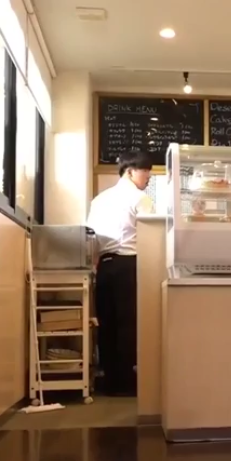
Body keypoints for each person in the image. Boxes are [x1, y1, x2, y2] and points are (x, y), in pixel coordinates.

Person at [86, 151, 154, 396]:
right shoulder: (140, 198)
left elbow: (90, 237)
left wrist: (95, 265)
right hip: (129, 264)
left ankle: (111, 381)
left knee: (107, 323)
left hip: (105, 266)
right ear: (130, 171)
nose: (148, 177)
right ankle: (127, 381)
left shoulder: (99, 200)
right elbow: (151, 234)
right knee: (128, 322)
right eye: (145, 171)